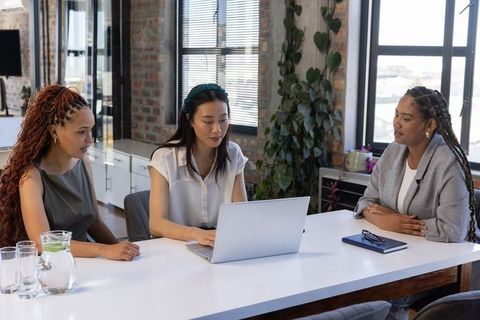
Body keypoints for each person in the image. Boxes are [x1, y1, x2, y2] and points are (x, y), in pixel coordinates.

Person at [354, 86, 479, 320]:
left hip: (445, 266)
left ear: (429, 125)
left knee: (383, 296)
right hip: (397, 255)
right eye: (396, 114)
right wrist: (387, 222)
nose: (396, 123)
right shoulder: (393, 151)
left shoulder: (448, 161)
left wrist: (398, 223)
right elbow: (366, 201)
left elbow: (453, 228)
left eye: (406, 118)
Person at [0, 84, 139, 261]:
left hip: (87, 262)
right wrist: (103, 250)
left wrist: (121, 250)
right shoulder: (31, 177)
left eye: (91, 129)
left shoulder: (83, 163)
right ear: (54, 132)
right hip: (52, 268)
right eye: (82, 132)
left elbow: (94, 222)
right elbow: (42, 242)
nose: (90, 139)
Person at [148, 83, 248, 246]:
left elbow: (241, 213)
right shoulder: (165, 158)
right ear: (190, 120)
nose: (217, 129)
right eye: (208, 121)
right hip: (173, 247)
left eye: (223, 120)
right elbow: (156, 224)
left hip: (218, 244)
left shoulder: (233, 154)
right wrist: (197, 234)